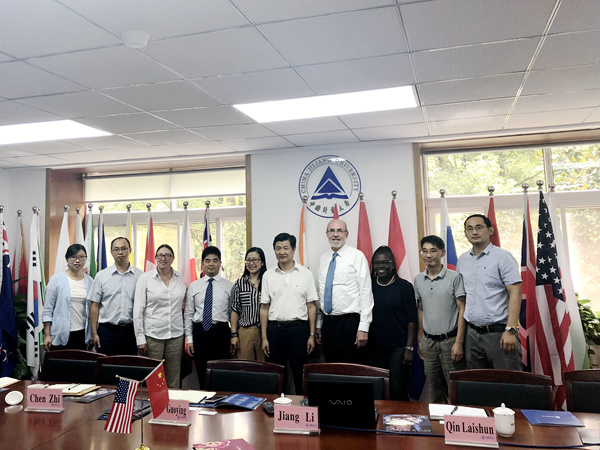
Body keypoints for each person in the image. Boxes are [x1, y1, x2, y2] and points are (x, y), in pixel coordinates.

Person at [457, 214, 523, 370]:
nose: (474, 232)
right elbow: (463, 299)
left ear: (490, 230)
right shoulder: (463, 260)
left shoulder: (503, 257)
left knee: (508, 381)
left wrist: (511, 330)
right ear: (465, 233)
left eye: (479, 227)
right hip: (472, 334)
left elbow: (515, 293)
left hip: (499, 333)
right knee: (477, 382)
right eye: (469, 229)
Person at [260, 233, 317, 394]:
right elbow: (264, 308)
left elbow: (311, 306)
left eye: (286, 248)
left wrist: (312, 335)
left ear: (293, 249)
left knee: (300, 373)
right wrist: (264, 337)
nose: (282, 252)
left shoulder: (305, 273)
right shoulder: (268, 275)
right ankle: (276, 407)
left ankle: (302, 406)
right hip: (275, 330)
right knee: (277, 375)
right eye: (278, 248)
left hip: (299, 330)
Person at [414, 235, 466, 404]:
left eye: (433, 251)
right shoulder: (418, 279)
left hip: (450, 342)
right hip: (428, 343)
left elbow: (462, 309)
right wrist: (420, 339)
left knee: (455, 389)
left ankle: (458, 419)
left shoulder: (454, 277)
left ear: (442, 253)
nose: (428, 255)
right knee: (435, 390)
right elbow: (421, 308)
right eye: (424, 251)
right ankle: (439, 420)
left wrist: (459, 342)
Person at [316, 219, 373, 364]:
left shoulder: (357, 256)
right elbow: (322, 293)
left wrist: (364, 327)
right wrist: (319, 324)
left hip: (350, 323)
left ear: (346, 234)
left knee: (350, 369)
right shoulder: (323, 258)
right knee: (331, 368)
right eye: (332, 231)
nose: (335, 234)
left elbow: (366, 293)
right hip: (328, 324)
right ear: (327, 234)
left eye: (339, 230)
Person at [134, 244, 186, 388]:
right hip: (153, 336)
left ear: (173, 259)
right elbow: (138, 310)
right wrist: (140, 338)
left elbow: (184, 303)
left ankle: (173, 402)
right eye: (160, 255)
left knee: (173, 377)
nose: (164, 258)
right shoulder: (145, 278)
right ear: (155, 258)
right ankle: (152, 403)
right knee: (154, 378)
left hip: (176, 335)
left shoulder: (179, 277)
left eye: (168, 255)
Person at [369, 245, 417, 401]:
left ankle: (400, 416)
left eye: (385, 262)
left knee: (397, 386)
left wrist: (409, 348)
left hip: (399, 347)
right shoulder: (368, 286)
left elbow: (412, 320)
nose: (381, 266)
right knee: (379, 387)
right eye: (377, 263)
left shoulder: (405, 287)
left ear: (393, 264)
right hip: (376, 347)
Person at [185, 246, 234, 387]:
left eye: (215, 260)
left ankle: (220, 399)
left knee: (221, 374)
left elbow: (233, 313)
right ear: (202, 264)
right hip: (200, 333)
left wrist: (233, 336)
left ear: (220, 263)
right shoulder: (194, 286)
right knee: (202, 373)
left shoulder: (229, 286)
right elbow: (188, 314)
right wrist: (190, 339)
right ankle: (205, 399)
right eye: (207, 261)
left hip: (221, 332)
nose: (211, 264)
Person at [88, 237, 143, 356]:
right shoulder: (101, 276)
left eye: (124, 248)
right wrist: (94, 333)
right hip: (107, 331)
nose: (120, 252)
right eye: (116, 249)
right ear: (111, 252)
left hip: (130, 331)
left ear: (130, 250)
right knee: (106, 364)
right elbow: (94, 305)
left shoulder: (140, 276)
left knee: (128, 364)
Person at [42, 244, 93, 351]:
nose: (77, 261)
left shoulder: (90, 281)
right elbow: (48, 310)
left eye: (81, 257)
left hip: (82, 333)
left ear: (86, 259)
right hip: (60, 333)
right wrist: (47, 335)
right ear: (67, 259)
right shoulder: (56, 279)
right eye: (73, 257)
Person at [230, 247, 267, 361]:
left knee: (265, 366)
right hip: (245, 331)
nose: (251, 263)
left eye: (255, 260)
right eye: (248, 260)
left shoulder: (268, 281)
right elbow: (234, 310)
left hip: (264, 332)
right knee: (246, 366)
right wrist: (234, 334)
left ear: (262, 262)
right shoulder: (239, 283)